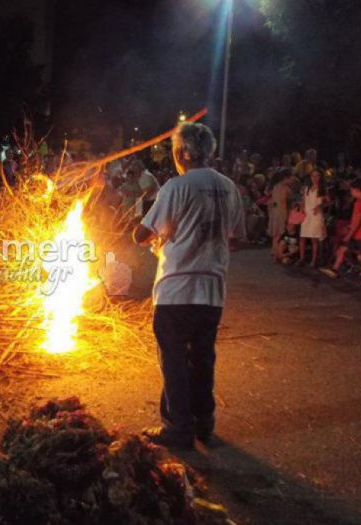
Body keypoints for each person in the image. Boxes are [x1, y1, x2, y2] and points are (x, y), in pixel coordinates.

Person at [133, 122, 245, 448]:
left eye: (174, 152)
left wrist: (163, 239)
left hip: (176, 289)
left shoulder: (175, 187)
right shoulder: (229, 187)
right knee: (202, 357)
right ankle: (203, 422)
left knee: (174, 359)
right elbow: (236, 239)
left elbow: (141, 235)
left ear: (182, 152)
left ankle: (178, 427)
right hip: (212, 290)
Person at [320, 179, 361, 284]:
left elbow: (358, 222)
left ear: (357, 190)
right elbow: (359, 220)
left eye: (352, 190)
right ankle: (334, 269)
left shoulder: (360, 203)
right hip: (360, 232)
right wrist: (350, 228)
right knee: (343, 249)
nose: (351, 192)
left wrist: (349, 234)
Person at [297, 169, 328, 268]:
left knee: (314, 238)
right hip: (307, 214)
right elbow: (303, 200)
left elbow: (329, 201)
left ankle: (314, 260)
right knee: (302, 237)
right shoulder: (307, 188)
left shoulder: (322, 189)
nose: (315, 178)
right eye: (313, 176)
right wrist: (302, 208)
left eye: (317, 176)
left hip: (316, 215)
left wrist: (320, 206)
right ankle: (301, 258)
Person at [268, 168, 293, 261]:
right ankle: (276, 254)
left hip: (275, 211)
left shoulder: (275, 186)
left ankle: (274, 251)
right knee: (280, 233)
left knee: (276, 233)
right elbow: (284, 200)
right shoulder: (285, 188)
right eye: (290, 178)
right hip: (281, 211)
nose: (291, 180)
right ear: (285, 178)